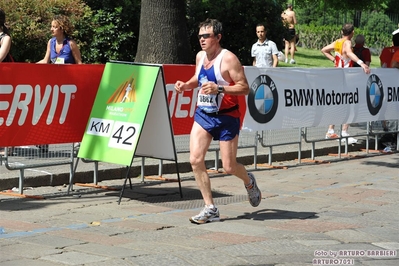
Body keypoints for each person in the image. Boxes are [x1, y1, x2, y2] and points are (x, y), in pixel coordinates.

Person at [174, 18, 261, 224]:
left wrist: (219, 88)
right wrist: (186, 85)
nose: (202, 40)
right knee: (195, 160)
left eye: (206, 36)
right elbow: (199, 78)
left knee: (229, 166)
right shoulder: (200, 56)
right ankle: (210, 207)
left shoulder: (229, 59)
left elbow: (245, 88)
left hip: (227, 117)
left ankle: (249, 181)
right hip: (204, 114)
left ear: (218, 37)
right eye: (200, 36)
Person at [37, 15, 83, 153]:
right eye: (51, 26)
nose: (51, 29)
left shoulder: (71, 44)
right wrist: (28, 67)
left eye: (54, 27)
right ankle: (44, 142)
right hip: (53, 86)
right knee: (48, 112)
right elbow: (46, 61)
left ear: (61, 29)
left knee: (71, 114)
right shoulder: (50, 42)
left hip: (69, 86)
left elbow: (79, 64)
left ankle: (77, 142)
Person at [321, 23, 370, 144]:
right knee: (350, 104)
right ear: (352, 32)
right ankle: (344, 132)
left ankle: (331, 131)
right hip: (346, 76)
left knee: (338, 103)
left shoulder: (337, 41)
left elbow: (324, 50)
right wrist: (361, 63)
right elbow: (348, 52)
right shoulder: (347, 42)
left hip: (337, 75)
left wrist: (334, 60)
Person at [0, 8, 13, 156]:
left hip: (5, 81)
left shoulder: (5, 38)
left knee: (4, 112)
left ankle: (6, 145)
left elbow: (1, 57)